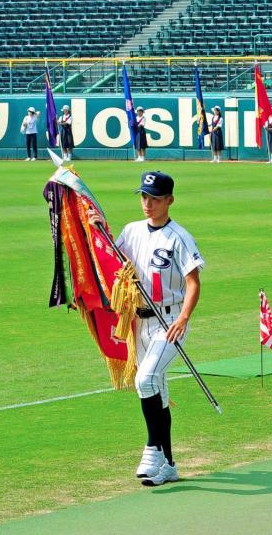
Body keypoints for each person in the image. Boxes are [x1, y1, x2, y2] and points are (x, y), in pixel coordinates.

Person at [88, 171, 204, 487]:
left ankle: (152, 448)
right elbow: (111, 256)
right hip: (139, 323)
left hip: (169, 324)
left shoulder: (179, 237)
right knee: (158, 392)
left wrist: (183, 318)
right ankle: (168, 465)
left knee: (146, 378)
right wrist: (98, 226)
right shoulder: (132, 230)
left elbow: (193, 283)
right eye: (144, 197)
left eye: (154, 198)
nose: (147, 204)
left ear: (169, 200)